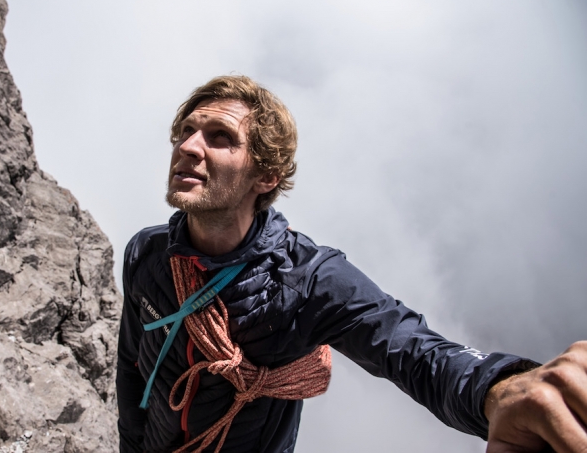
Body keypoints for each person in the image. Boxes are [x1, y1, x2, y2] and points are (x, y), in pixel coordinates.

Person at [116, 75, 587, 453]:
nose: (189, 147)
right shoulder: (147, 254)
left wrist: (499, 389)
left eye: (220, 137)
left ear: (267, 176)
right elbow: (133, 364)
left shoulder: (307, 282)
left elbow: (412, 350)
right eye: (186, 132)